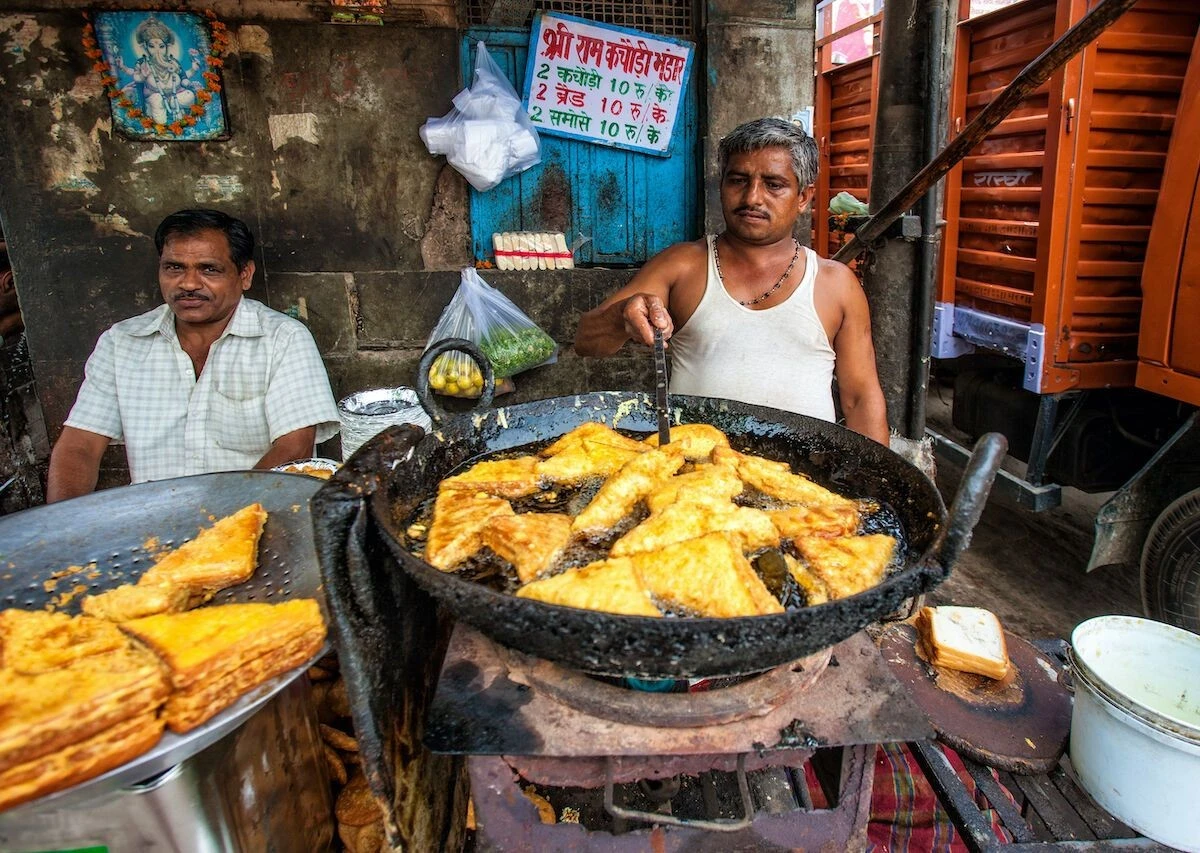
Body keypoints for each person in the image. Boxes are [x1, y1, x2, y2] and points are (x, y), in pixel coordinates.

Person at [574, 117, 889, 445]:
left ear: (803, 197)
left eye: (773, 184)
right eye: (738, 180)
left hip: (803, 477)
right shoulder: (683, 264)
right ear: (722, 185)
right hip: (693, 475)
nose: (753, 197)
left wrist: (881, 490)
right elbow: (586, 341)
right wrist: (622, 316)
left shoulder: (835, 283)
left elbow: (860, 399)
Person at [47, 209, 340, 502]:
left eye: (208, 269)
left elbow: (294, 449)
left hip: (255, 518)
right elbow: (79, 445)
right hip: (153, 522)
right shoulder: (121, 343)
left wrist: (215, 523)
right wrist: (62, 526)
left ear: (244, 275)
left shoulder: (282, 339)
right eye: (174, 268)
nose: (188, 283)